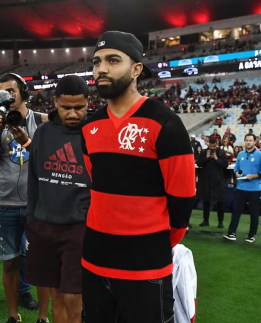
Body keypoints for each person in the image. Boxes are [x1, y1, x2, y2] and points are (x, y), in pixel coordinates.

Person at [81, 30, 195, 323]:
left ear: (136, 70)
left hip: (145, 266)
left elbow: (182, 202)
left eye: (113, 60)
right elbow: (98, 186)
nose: (101, 69)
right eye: (96, 62)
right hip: (94, 261)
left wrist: (152, 246)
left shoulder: (165, 122)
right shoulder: (89, 127)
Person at [0, 73, 49, 323]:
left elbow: (50, 163)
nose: (6, 96)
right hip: (6, 204)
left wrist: (29, 141)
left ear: (24, 91)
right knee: (9, 264)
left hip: (37, 205)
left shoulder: (41, 121)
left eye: (11, 91)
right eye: (1, 93)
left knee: (41, 264)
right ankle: (12, 316)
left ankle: (43, 317)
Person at [27, 75, 91, 323]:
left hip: (79, 228)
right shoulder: (43, 133)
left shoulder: (94, 132)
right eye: (66, 108)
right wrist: (32, 220)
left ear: (88, 102)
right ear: (55, 103)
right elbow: (33, 179)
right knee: (56, 296)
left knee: (75, 298)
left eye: (79, 107)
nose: (73, 113)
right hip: (44, 227)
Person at [223, 134, 261, 242]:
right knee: (236, 211)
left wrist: (253, 176)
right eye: (247, 140)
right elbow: (236, 168)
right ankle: (232, 233)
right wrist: (236, 173)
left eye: (250, 140)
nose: (248, 142)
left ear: (254, 142)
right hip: (241, 187)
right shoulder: (240, 154)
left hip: (254, 189)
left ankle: (251, 235)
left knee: (254, 213)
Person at [197, 137, 228, 228]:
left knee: (220, 202)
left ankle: (220, 222)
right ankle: (205, 220)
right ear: (208, 144)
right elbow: (199, 163)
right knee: (206, 201)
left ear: (217, 144)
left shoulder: (221, 152)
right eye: (211, 146)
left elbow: (225, 165)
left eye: (214, 146)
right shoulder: (204, 152)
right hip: (206, 180)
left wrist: (217, 159)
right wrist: (206, 158)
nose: (212, 148)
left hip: (218, 181)